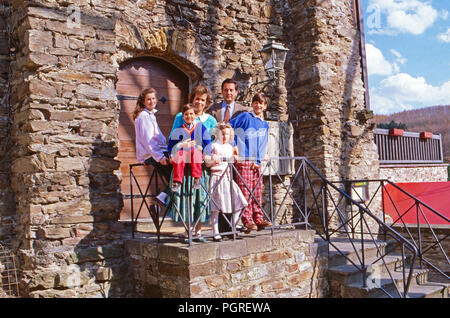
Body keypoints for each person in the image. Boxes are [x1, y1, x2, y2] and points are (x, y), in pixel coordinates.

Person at [167, 104, 212, 242]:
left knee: (198, 201)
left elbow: (208, 143)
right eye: (186, 114)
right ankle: (177, 181)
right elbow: (171, 145)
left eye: (191, 114)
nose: (189, 117)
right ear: (183, 116)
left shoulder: (200, 127)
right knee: (186, 201)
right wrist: (181, 145)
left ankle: (198, 232)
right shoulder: (179, 129)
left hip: (196, 168)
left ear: (195, 115)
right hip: (184, 169)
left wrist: (205, 151)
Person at [229, 92, 272, 234]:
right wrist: (234, 145)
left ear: (264, 106)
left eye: (261, 103)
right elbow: (229, 127)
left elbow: (263, 144)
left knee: (257, 191)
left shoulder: (264, 124)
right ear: (252, 104)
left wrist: (258, 160)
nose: (258, 105)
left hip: (256, 162)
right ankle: (247, 220)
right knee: (245, 191)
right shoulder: (245, 117)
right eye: (255, 102)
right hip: (244, 159)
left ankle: (258, 218)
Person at [207, 122, 248, 242]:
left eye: (227, 134)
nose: (225, 136)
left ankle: (232, 225)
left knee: (241, 202)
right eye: (222, 134)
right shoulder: (213, 146)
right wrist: (213, 160)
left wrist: (235, 158)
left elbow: (236, 160)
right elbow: (207, 162)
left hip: (227, 178)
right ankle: (216, 232)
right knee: (216, 207)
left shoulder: (230, 147)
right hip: (217, 177)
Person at [133, 87, 171, 205]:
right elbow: (148, 140)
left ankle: (162, 199)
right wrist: (160, 158)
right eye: (148, 99)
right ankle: (161, 200)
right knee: (179, 178)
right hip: (156, 155)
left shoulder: (150, 115)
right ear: (143, 102)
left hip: (155, 154)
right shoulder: (144, 116)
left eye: (154, 98)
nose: (152, 101)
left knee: (176, 179)